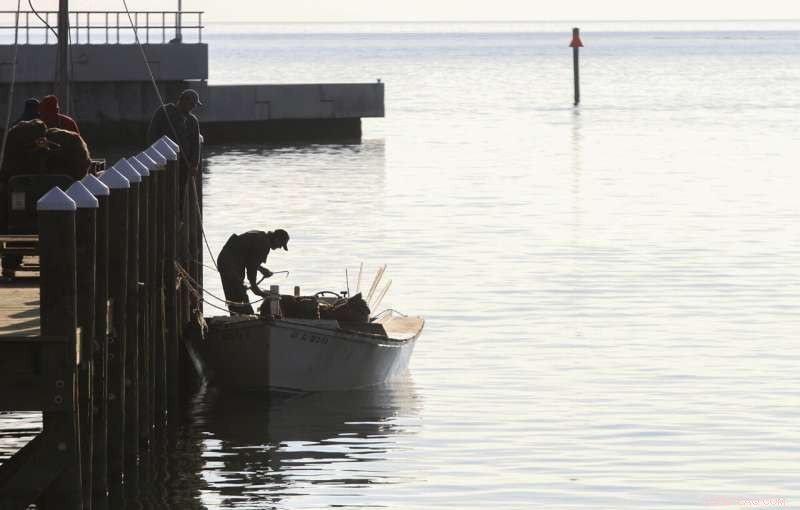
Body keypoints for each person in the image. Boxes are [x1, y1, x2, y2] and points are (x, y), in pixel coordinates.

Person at [216, 229, 290, 315]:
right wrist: (255, 289)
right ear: (277, 239)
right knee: (238, 294)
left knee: (236, 293)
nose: (280, 247)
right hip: (230, 263)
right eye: (281, 244)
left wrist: (262, 269)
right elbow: (251, 269)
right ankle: (244, 318)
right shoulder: (264, 244)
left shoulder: (261, 236)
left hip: (227, 260)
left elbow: (250, 259)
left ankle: (238, 317)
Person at [147, 89, 202, 201]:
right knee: (161, 188)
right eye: (191, 104)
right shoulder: (164, 111)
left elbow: (195, 144)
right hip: (162, 160)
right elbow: (152, 134)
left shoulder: (192, 120)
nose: (193, 107)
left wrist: (194, 164)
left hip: (183, 162)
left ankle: (179, 215)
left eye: (194, 105)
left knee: (180, 190)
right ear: (183, 100)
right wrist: (153, 155)